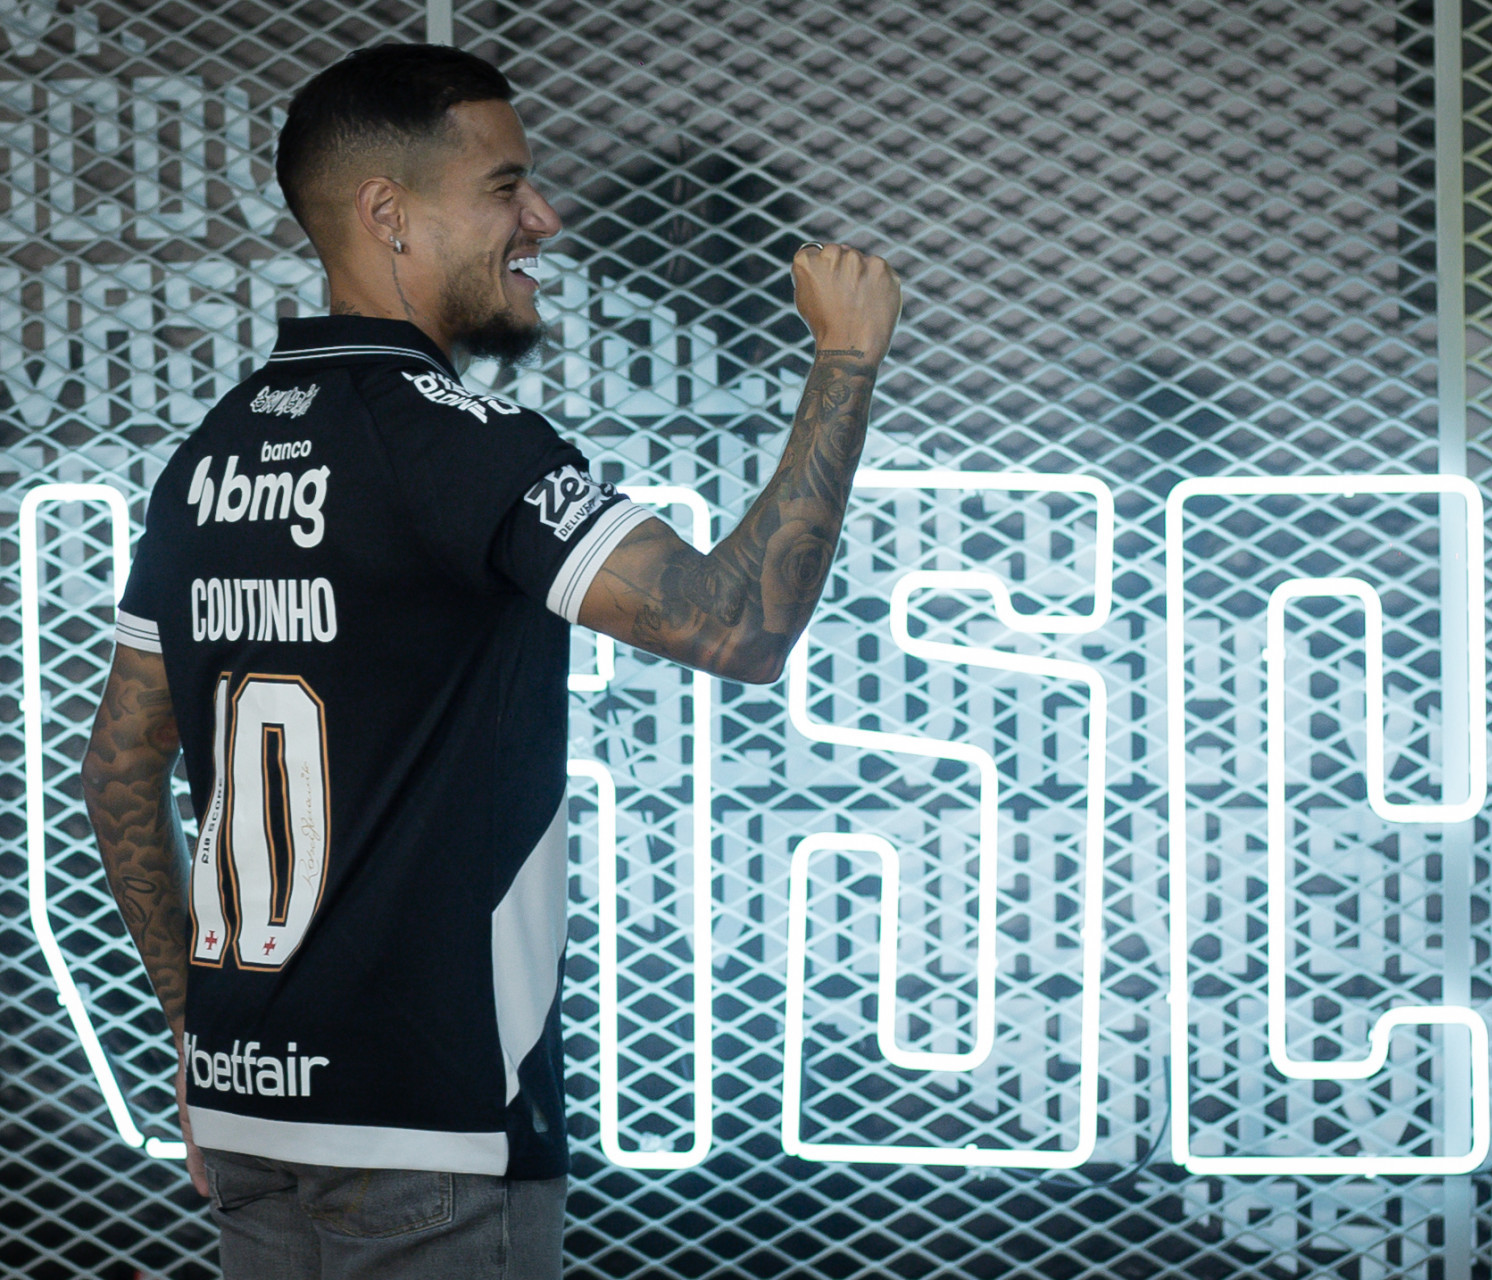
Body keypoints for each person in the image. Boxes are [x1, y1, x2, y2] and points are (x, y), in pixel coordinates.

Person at [79, 42, 899, 1279]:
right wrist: (845, 361)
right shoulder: (463, 447)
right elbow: (736, 624)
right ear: (389, 214)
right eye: (507, 186)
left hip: (252, 1114)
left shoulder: (210, 457)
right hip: (432, 1132)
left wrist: (198, 1034)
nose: (543, 217)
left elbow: (115, 768)